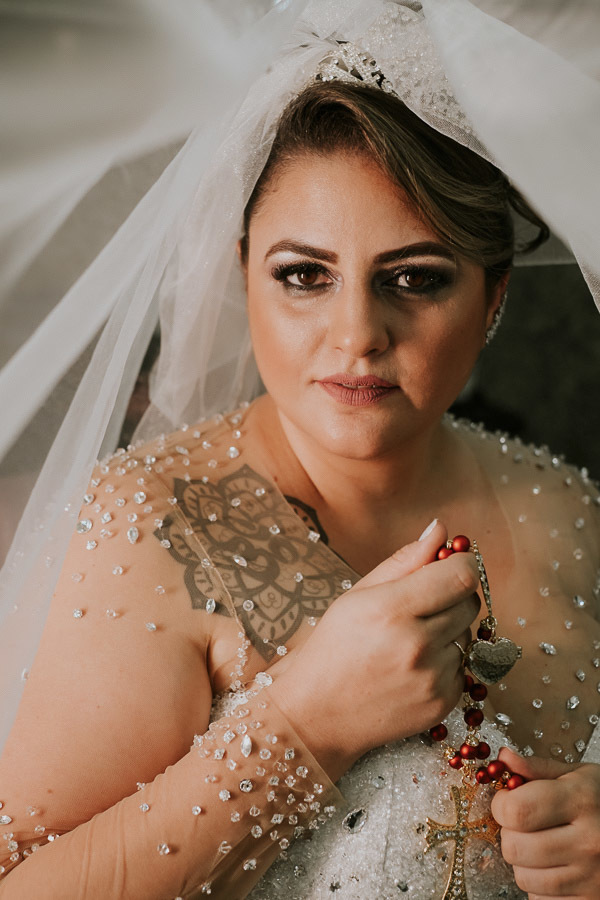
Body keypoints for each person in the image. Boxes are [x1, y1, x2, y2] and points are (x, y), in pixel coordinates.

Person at [1, 2, 599, 898]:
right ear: (242, 273)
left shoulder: (574, 510)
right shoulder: (144, 527)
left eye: (415, 279)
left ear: (494, 298)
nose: (356, 334)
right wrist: (306, 722)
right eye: (303, 276)